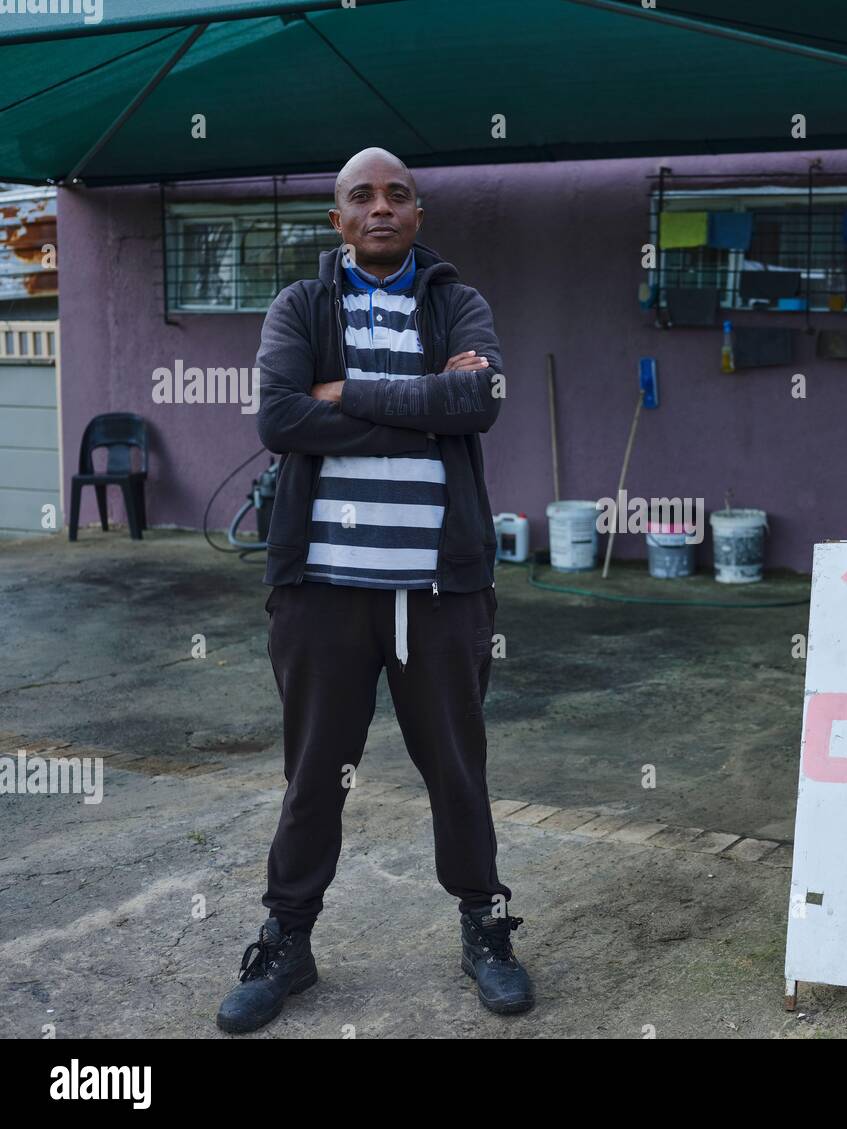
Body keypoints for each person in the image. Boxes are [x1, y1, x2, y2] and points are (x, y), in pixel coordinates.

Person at [216, 147, 531, 1034]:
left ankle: (485, 928)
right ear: (338, 219)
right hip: (323, 590)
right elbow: (281, 417)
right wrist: (422, 400)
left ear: (418, 215)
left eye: (398, 194)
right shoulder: (302, 306)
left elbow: (481, 402)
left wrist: (348, 391)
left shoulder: (457, 300)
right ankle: (287, 941)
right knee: (314, 773)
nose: (382, 207)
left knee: (458, 772)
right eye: (363, 196)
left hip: (441, 591)